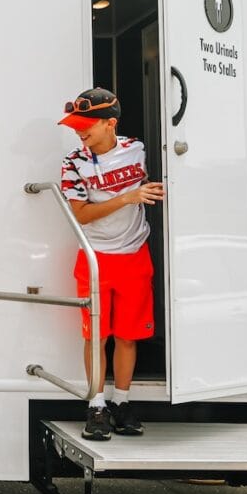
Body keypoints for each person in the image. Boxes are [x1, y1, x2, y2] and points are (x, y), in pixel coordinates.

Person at [58, 88, 165, 441]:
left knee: (128, 336)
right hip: (95, 257)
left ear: (110, 123)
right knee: (96, 336)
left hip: (135, 253)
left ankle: (121, 402)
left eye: (87, 124)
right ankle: (97, 406)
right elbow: (82, 214)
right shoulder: (74, 163)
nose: (80, 131)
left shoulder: (138, 149)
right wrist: (128, 197)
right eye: (76, 125)